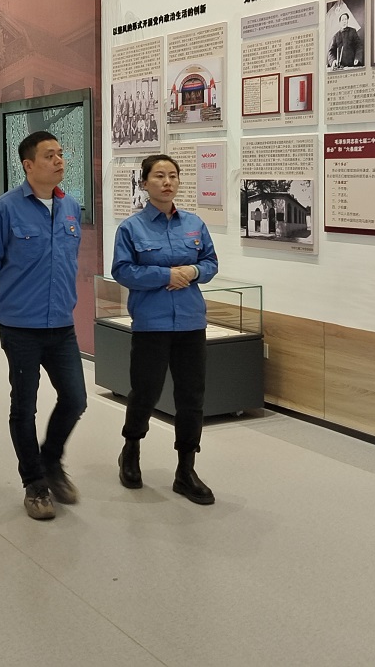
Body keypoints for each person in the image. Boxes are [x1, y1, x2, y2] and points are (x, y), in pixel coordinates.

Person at [0, 131, 87, 521]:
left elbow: (69, 261)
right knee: (24, 407)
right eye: (49, 155)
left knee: (75, 399)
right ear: (28, 165)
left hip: (61, 324)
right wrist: (8, 304)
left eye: (61, 153)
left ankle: (50, 460)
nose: (59, 160)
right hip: (21, 326)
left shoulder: (69, 207)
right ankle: (34, 483)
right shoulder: (4, 210)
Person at [110, 154, 219, 504]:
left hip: (191, 322)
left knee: (192, 397)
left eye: (173, 175)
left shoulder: (194, 224)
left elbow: (211, 262)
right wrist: (165, 275)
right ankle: (131, 450)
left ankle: (186, 470)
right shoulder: (131, 228)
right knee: (145, 392)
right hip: (151, 324)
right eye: (159, 176)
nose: (167, 182)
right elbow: (122, 271)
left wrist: (193, 272)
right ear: (144, 183)